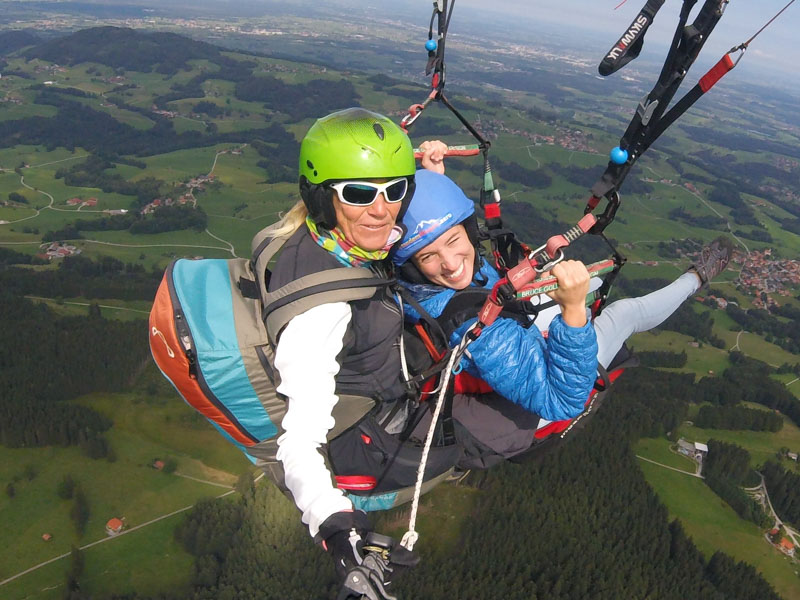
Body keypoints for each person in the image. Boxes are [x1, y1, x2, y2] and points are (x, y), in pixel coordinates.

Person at [392, 164, 733, 467]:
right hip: (539, 404)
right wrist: (571, 312)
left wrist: (429, 175)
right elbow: (562, 399)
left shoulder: (427, 288)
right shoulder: (468, 323)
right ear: (414, 267)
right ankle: (695, 279)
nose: (451, 263)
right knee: (622, 313)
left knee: (593, 282)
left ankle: (593, 300)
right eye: (429, 257)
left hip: (505, 345)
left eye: (453, 240)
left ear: (468, 230)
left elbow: (448, 254)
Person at [267, 107, 425, 584]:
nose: (383, 210)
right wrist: (338, 529)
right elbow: (298, 442)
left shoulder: (307, 237)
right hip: (371, 439)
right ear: (320, 199)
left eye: (396, 190)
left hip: (378, 372)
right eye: (358, 194)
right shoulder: (322, 312)